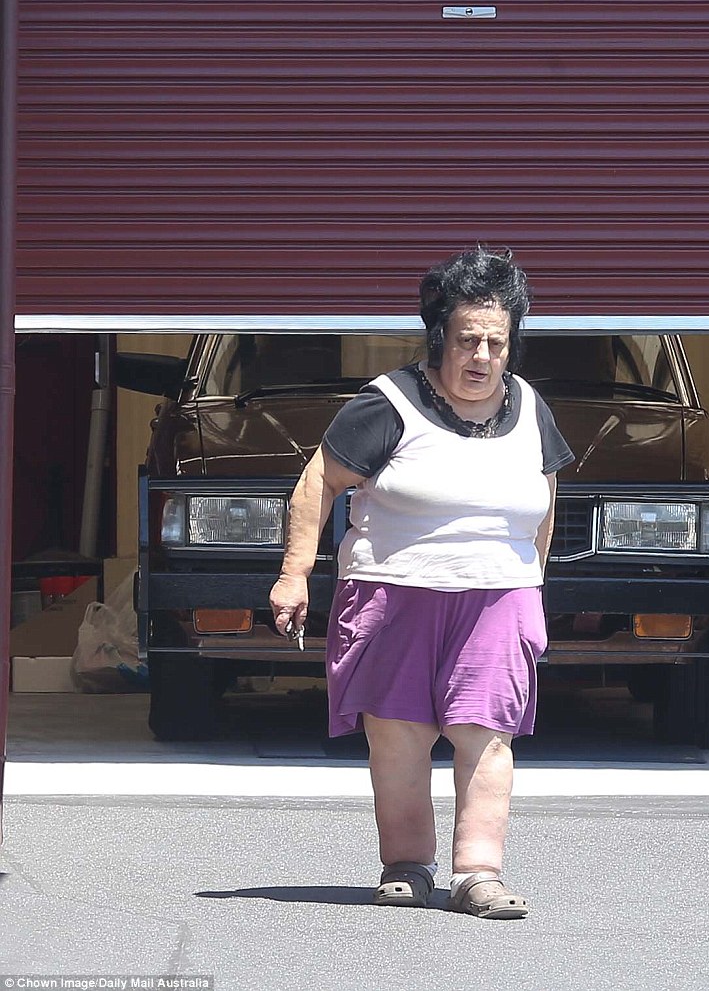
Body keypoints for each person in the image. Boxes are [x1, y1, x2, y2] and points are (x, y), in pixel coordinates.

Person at [268, 246, 573, 919]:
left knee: (485, 731)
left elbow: (546, 498)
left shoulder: (529, 407)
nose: (483, 355)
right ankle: (407, 862)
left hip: (499, 596)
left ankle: (478, 873)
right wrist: (295, 573)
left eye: (498, 341)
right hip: (392, 589)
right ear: (440, 336)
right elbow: (319, 481)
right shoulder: (387, 403)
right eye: (468, 339)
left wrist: (535, 589)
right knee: (399, 735)